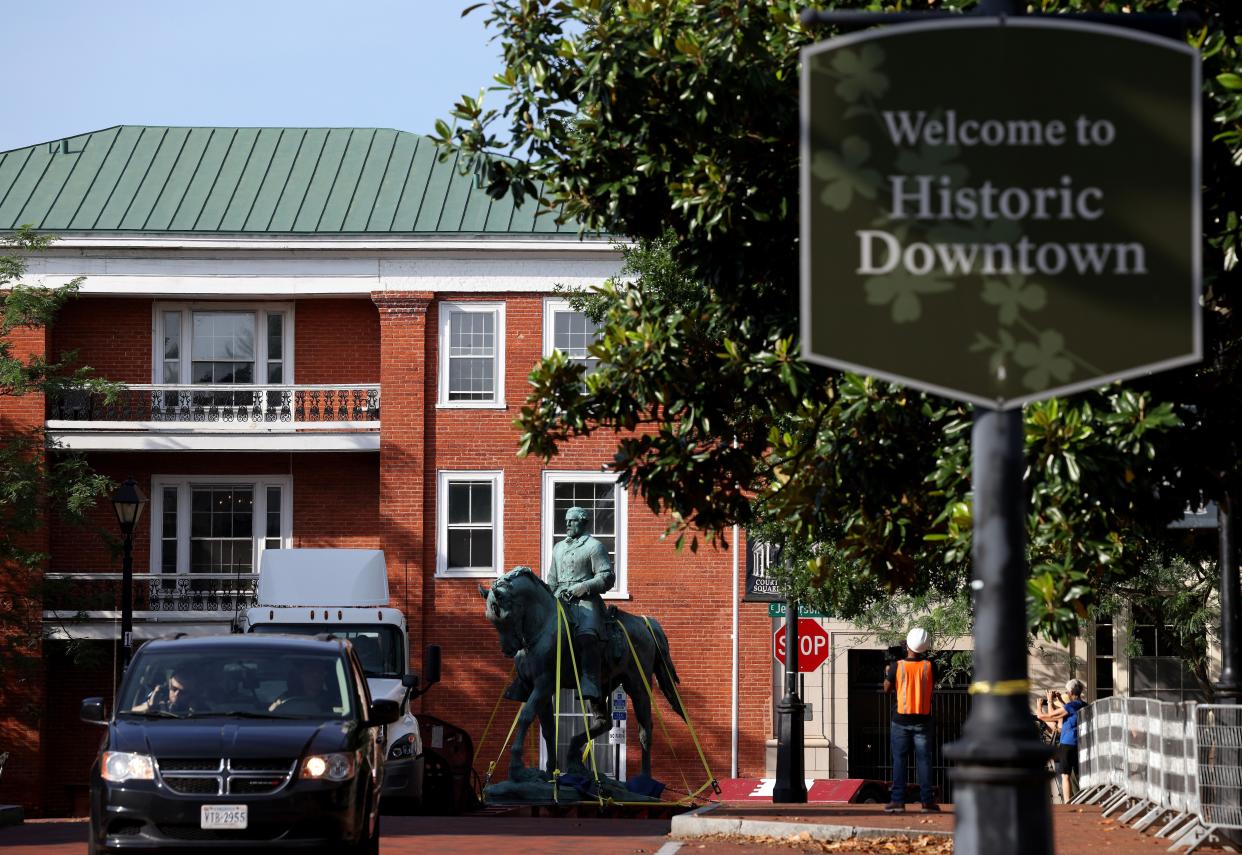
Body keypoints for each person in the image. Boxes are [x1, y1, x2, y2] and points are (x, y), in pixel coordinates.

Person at [546, 506, 615, 703]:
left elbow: (607, 577)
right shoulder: (558, 548)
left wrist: (583, 587)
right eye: (566, 520)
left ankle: (590, 681)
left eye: (573, 520)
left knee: (587, 635)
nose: (567, 524)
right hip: (560, 598)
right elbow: (552, 579)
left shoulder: (594, 546)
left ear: (583, 522)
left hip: (586, 601)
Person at [883, 627, 938, 813]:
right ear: (925, 647)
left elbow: (887, 689)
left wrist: (887, 673)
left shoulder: (898, 666)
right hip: (923, 720)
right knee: (924, 761)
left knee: (899, 760)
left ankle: (898, 801)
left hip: (900, 720)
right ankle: (927, 802)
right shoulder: (930, 666)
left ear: (907, 644)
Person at [1037, 678, 1086, 800]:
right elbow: (1070, 711)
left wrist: (1042, 704)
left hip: (1068, 743)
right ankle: (1084, 800)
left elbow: (1047, 716)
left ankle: (1067, 803)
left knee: (1065, 776)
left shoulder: (1071, 706)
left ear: (1070, 692)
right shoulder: (1084, 705)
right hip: (1080, 744)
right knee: (1080, 775)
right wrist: (1058, 700)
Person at [270, 659, 337, 713]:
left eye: (320, 672)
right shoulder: (286, 698)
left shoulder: (333, 700)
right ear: (301, 676)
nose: (316, 676)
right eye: (310, 672)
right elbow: (272, 714)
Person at [131, 666, 199, 713]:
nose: (176, 694)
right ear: (169, 686)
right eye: (174, 689)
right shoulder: (160, 703)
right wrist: (150, 706)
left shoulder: (200, 710)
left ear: (192, 693)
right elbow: (130, 713)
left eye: (183, 692)